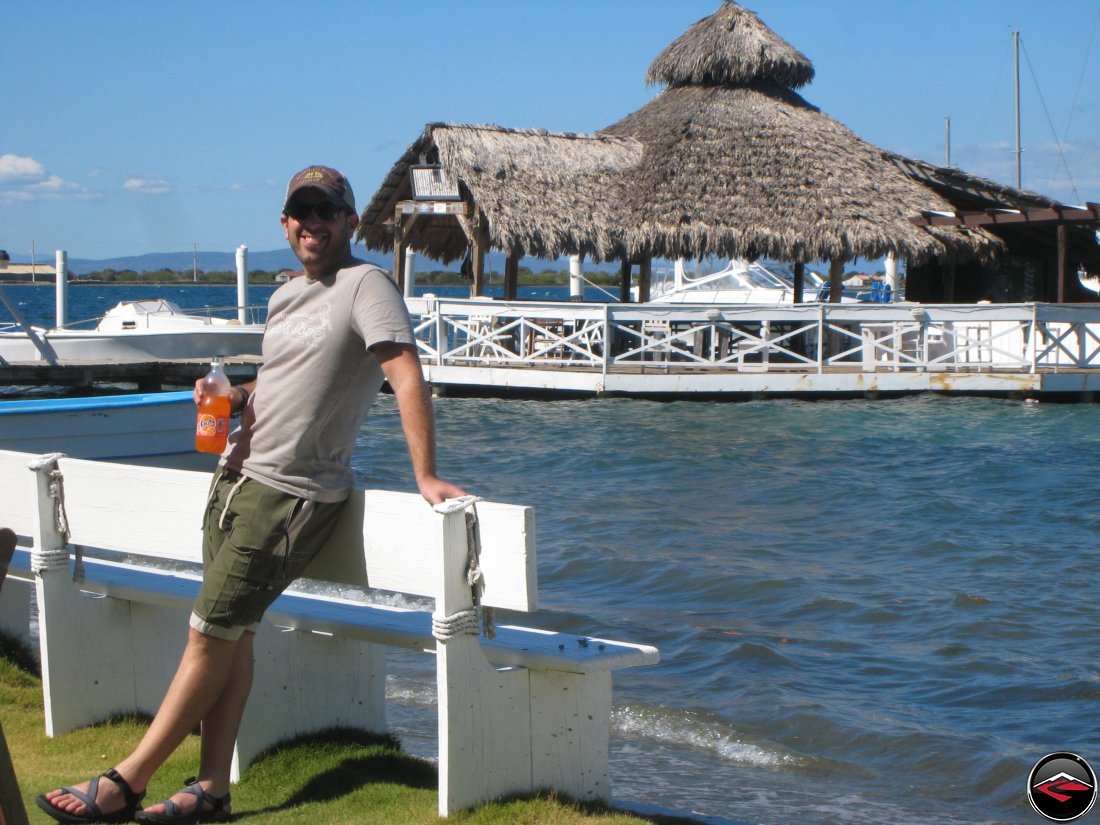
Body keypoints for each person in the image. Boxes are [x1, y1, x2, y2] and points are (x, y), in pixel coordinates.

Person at [36, 165, 466, 824]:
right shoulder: (286, 296)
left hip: (289, 496)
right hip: (234, 483)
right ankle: (211, 789)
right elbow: (280, 375)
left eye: (327, 211)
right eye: (301, 211)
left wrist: (425, 473)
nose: (312, 222)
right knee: (232, 637)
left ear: (351, 222)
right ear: (284, 223)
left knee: (206, 632)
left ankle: (128, 779)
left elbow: (406, 375)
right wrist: (235, 397)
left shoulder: (366, 285)